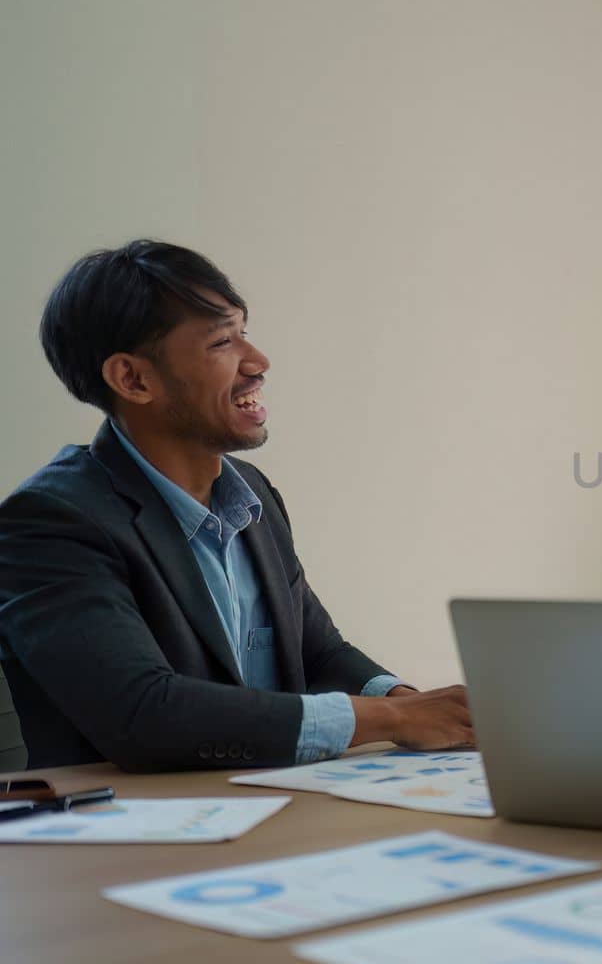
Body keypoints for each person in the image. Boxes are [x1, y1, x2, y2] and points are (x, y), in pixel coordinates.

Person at [0, 240, 473, 772]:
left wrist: (414, 705)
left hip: (270, 805)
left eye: (243, 332)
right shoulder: (51, 521)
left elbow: (317, 655)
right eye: (223, 341)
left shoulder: (251, 493)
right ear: (133, 379)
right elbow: (141, 714)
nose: (259, 361)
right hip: (135, 833)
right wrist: (392, 722)